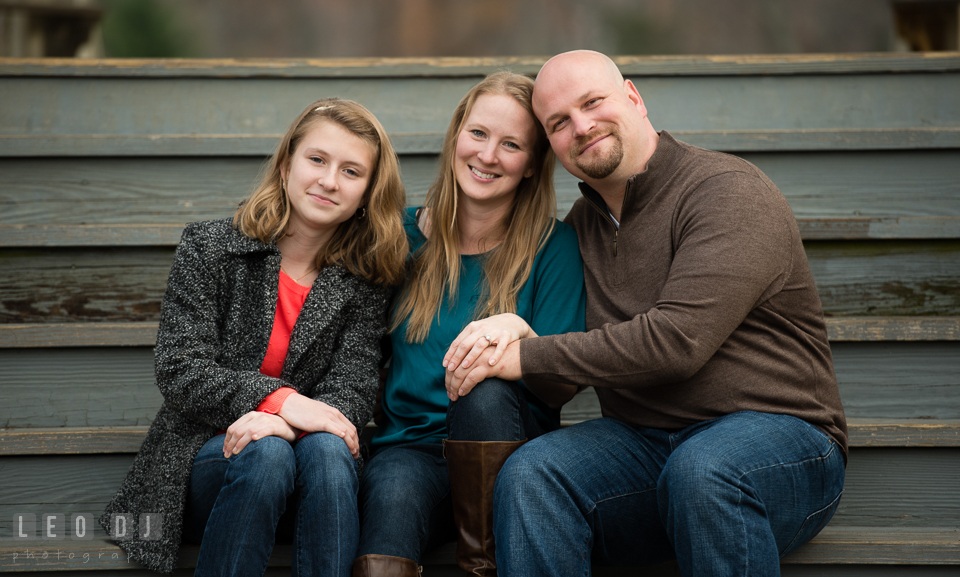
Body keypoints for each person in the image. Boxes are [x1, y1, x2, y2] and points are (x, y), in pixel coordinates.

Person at [444, 51, 848, 576]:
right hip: (647, 448)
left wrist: (525, 354)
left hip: (782, 441)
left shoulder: (726, 190)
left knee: (704, 470)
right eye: (559, 123)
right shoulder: (582, 227)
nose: (582, 127)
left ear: (633, 98)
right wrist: (520, 328)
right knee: (531, 474)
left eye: (593, 103)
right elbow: (565, 372)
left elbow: (677, 343)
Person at [100, 98, 408, 576]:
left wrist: (283, 424)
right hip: (204, 468)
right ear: (286, 165)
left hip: (314, 479)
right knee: (265, 455)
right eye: (317, 160)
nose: (329, 181)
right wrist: (283, 402)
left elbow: (351, 391)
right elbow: (182, 369)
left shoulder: (365, 280)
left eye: (351, 171)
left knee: (324, 449)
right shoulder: (211, 248)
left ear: (368, 192)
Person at [354, 72, 586, 576]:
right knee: (391, 497)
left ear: (531, 165)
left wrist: (520, 334)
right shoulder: (399, 238)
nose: (487, 155)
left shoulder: (555, 247)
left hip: (510, 456)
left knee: (481, 388)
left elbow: (562, 385)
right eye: (478, 133)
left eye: (511, 145)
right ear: (457, 134)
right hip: (410, 448)